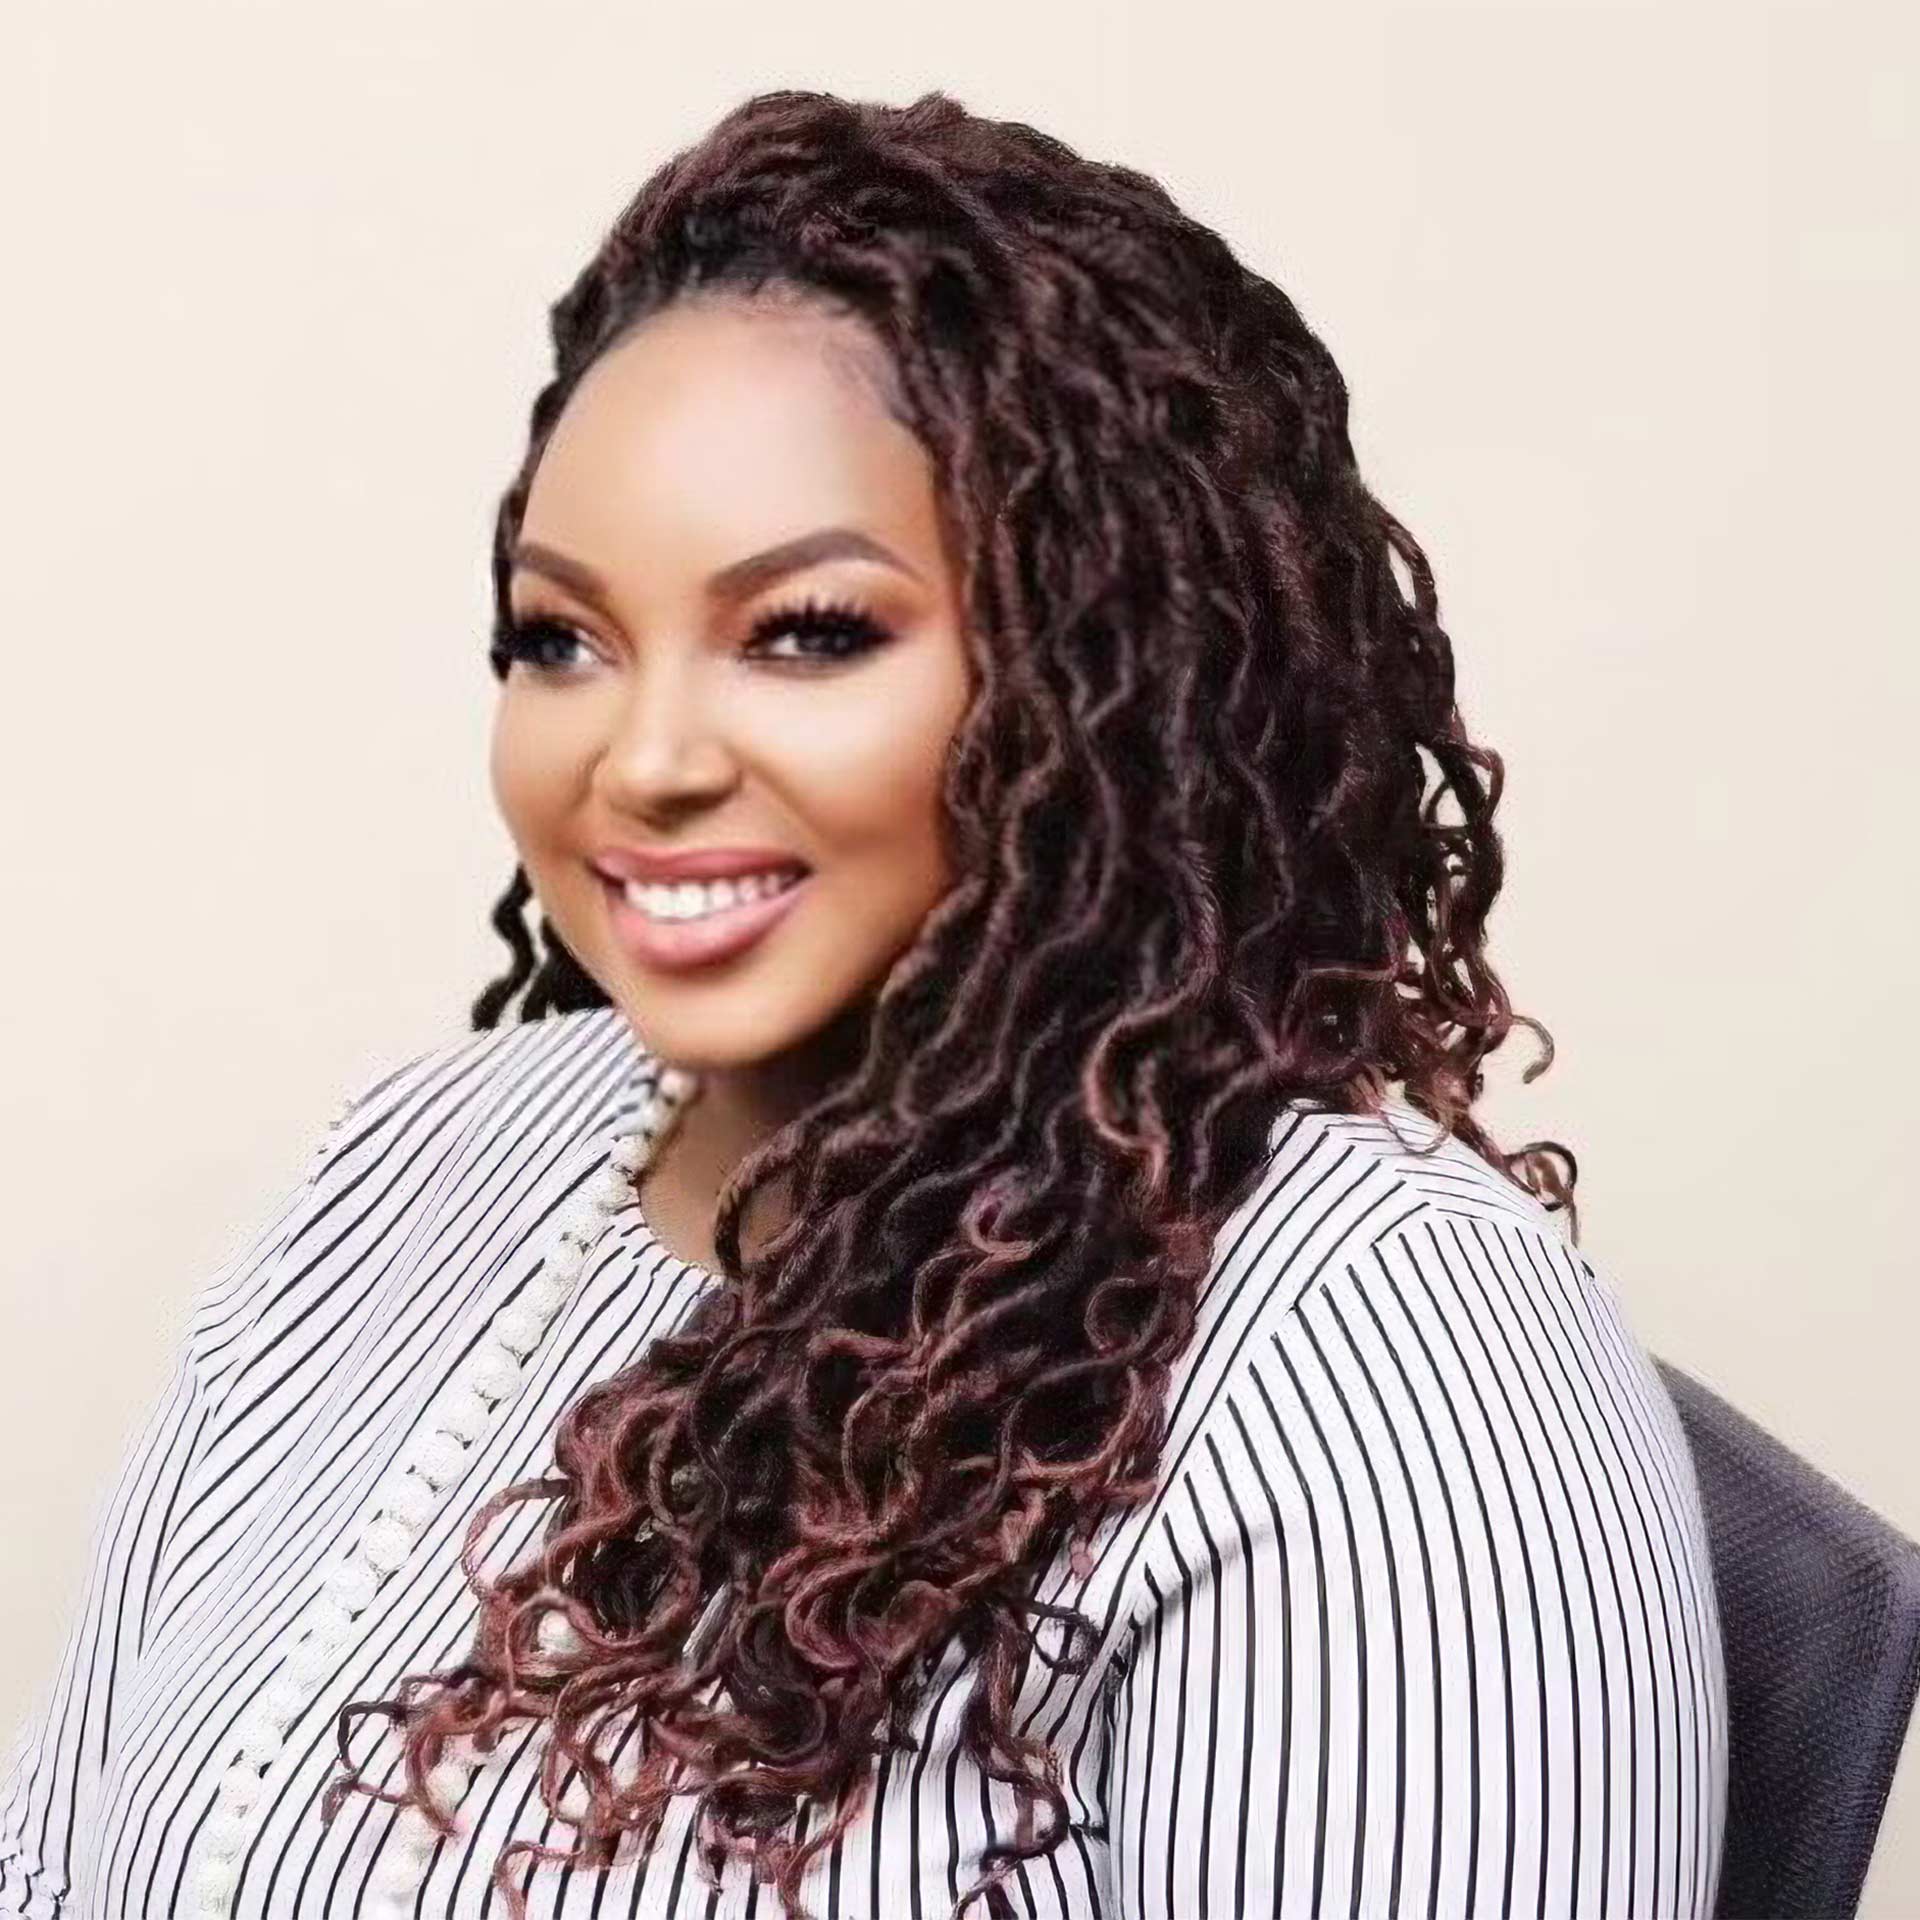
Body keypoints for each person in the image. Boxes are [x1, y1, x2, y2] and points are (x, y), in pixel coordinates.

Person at [0, 86, 1726, 1920]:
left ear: (1099, 671)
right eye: (560, 640)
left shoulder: (1380, 1352)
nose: (643, 758)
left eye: (808, 633)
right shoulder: (418, 1158)